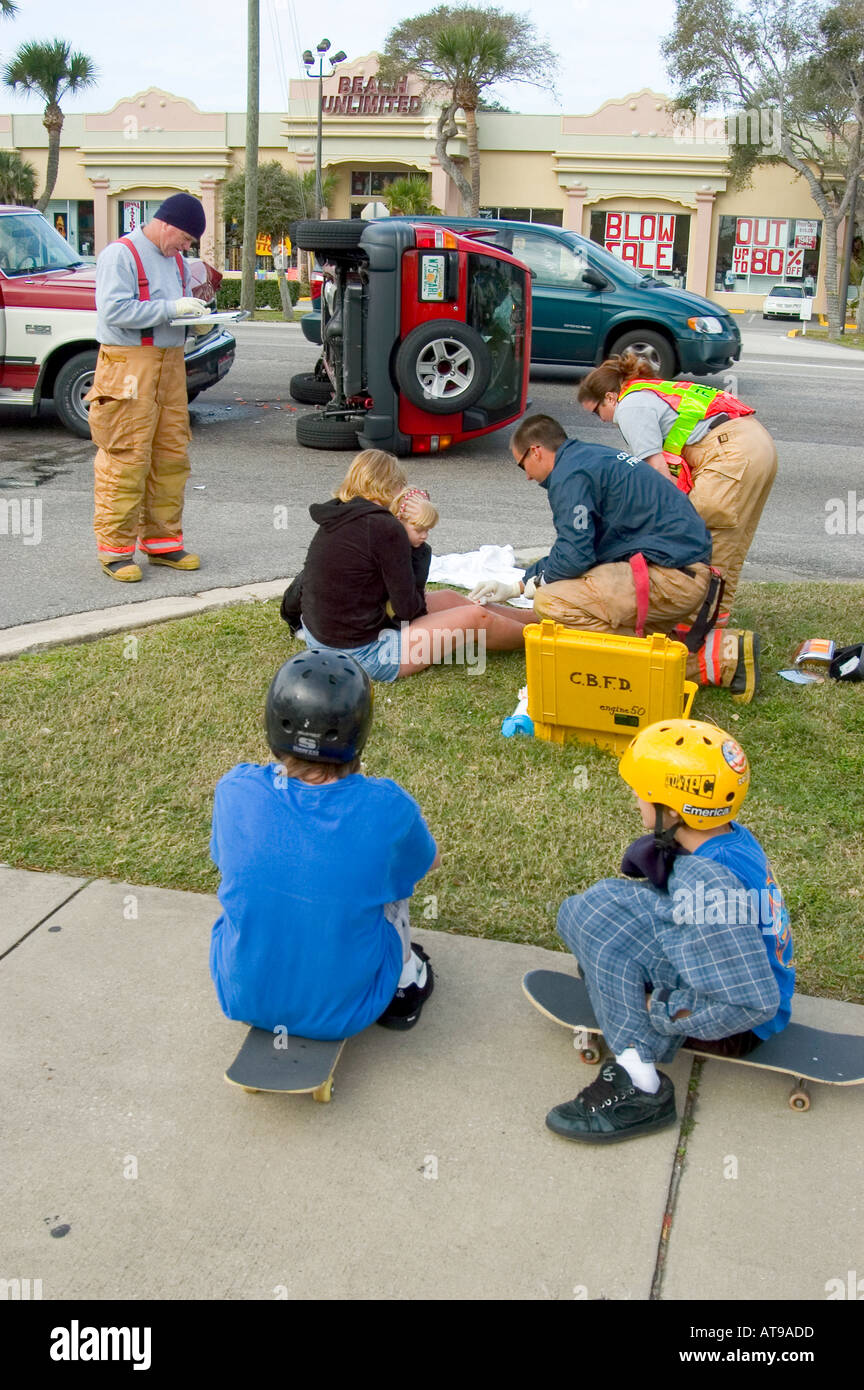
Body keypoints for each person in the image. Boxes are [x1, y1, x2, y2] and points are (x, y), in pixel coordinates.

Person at [546, 718, 794, 1144]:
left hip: (732, 1026)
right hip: (724, 962)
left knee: (599, 924)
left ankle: (640, 1085)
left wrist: (655, 1005)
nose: (635, 800)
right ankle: (625, 979)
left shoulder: (708, 882)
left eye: (642, 793)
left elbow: (752, 1003)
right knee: (598, 906)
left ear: (673, 811)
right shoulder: (728, 838)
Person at [210, 650, 439, 1037]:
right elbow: (428, 863)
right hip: (346, 1012)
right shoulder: (386, 805)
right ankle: (404, 984)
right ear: (360, 729)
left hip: (241, 997)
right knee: (393, 877)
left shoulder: (234, 789)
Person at [469, 414, 757, 701]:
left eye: (523, 466)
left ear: (536, 451)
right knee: (581, 601)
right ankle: (701, 650)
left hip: (671, 576)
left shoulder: (570, 475)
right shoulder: (589, 458)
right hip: (680, 570)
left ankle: (718, 658)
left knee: (552, 601)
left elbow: (574, 555)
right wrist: (521, 584)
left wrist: (539, 583)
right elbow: (583, 547)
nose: (528, 476)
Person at [280, 450, 533, 681]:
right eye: (400, 484)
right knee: (477, 618)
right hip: (362, 653)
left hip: (323, 637)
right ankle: (543, 641)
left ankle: (537, 619)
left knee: (448, 598)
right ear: (390, 486)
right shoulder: (384, 527)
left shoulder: (340, 513)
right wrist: (415, 547)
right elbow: (407, 610)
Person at [576, 351, 778, 631]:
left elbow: (656, 472)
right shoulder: (650, 391)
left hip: (731, 453)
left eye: (597, 411)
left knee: (702, 540)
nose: (601, 419)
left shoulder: (629, 406)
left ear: (610, 397)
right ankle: (713, 626)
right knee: (730, 546)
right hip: (755, 445)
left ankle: (690, 630)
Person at [86, 193, 212, 582]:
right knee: (126, 457)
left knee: (171, 454)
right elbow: (114, 311)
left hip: (169, 365)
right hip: (128, 366)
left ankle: (163, 543)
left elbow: (170, 309)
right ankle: (115, 552)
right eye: (187, 240)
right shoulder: (119, 255)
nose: (186, 249)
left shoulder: (174, 259)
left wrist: (196, 318)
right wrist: (172, 310)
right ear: (169, 225)